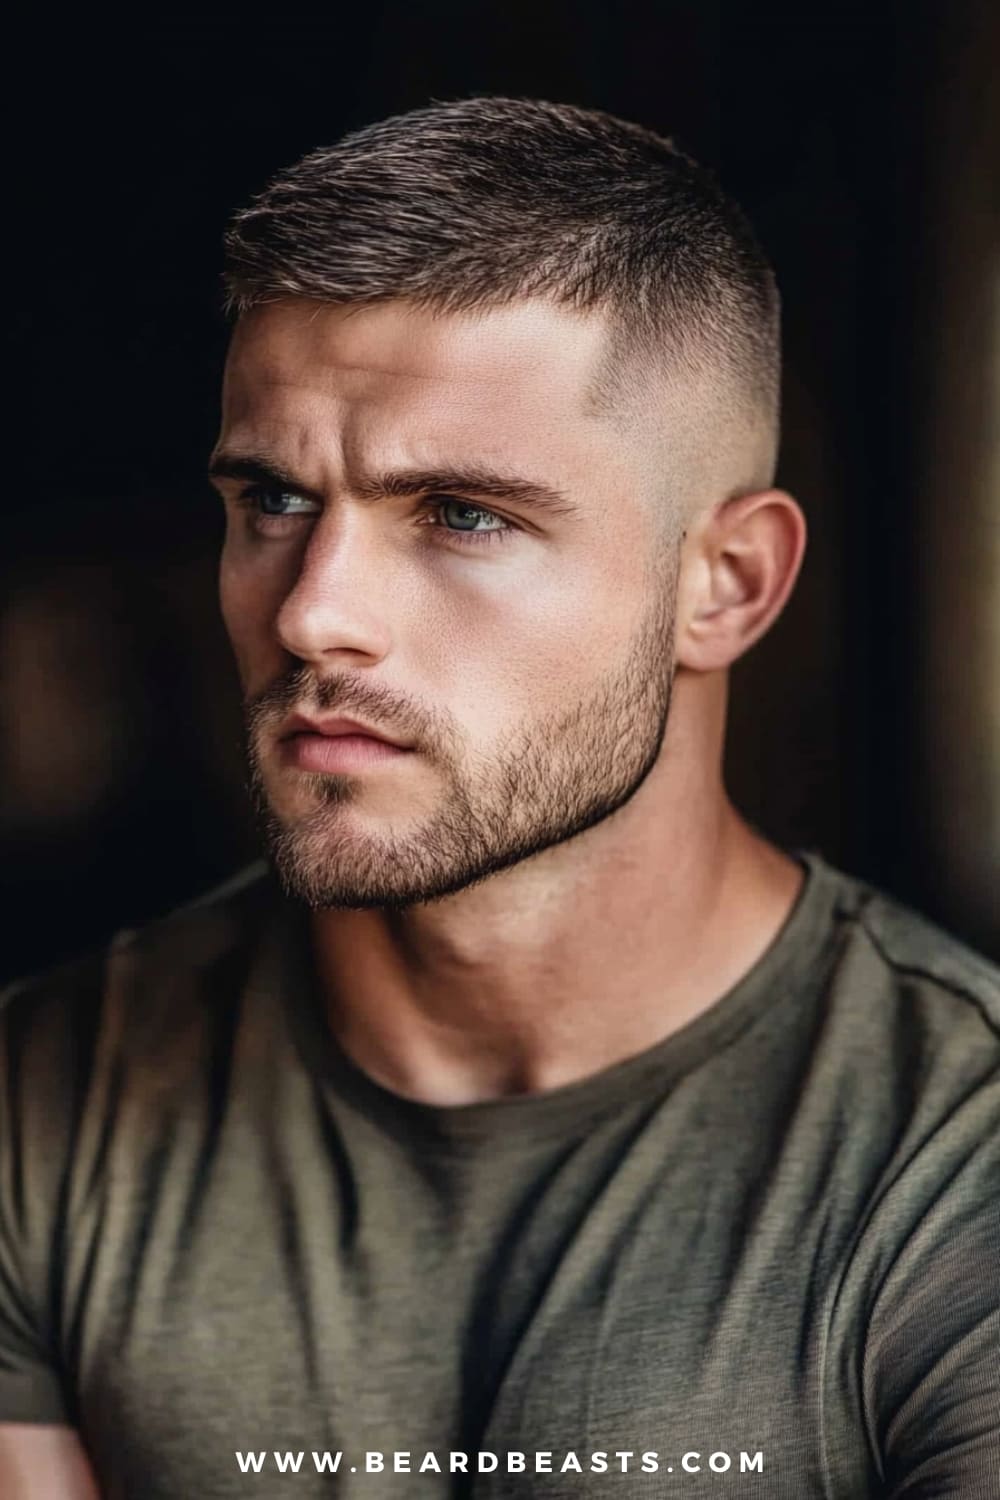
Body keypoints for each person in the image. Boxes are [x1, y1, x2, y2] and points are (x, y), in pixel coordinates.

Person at [0, 96, 997, 1500]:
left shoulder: (957, 1165)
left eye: (464, 515)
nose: (314, 614)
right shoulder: (44, 1102)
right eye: (275, 501)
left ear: (726, 585)